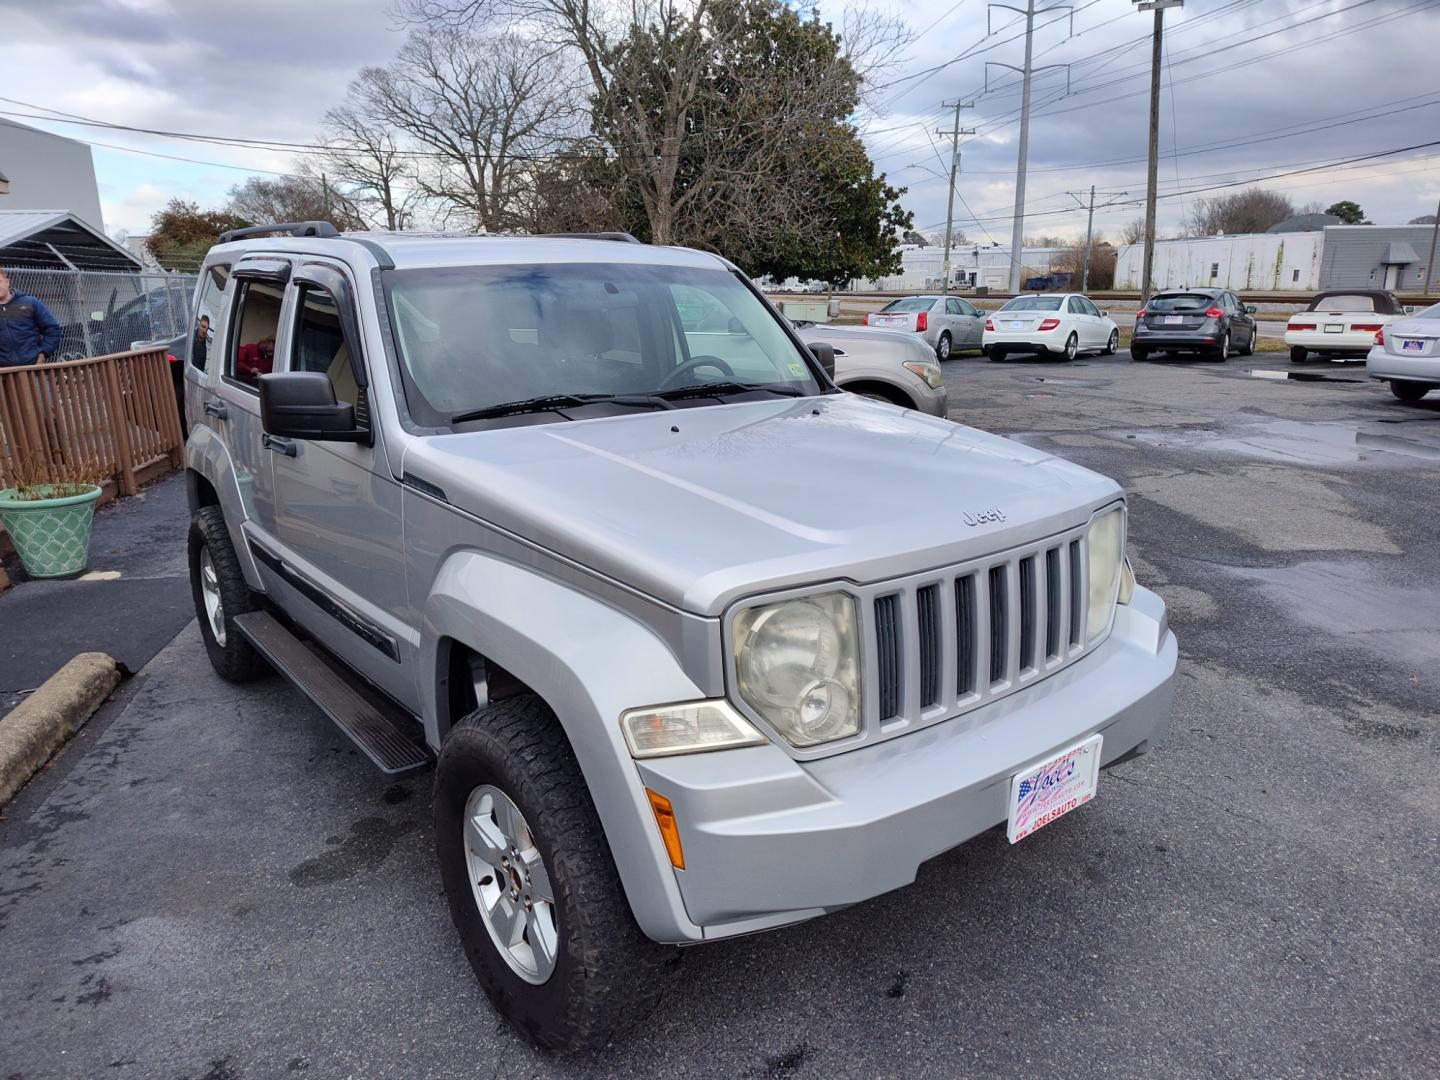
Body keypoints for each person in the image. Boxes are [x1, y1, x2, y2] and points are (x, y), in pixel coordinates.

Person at [0, 266, 63, 367]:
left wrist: (43, 354)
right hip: (5, 374)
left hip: (33, 369)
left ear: (7, 282)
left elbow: (52, 329)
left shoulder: (30, 302)